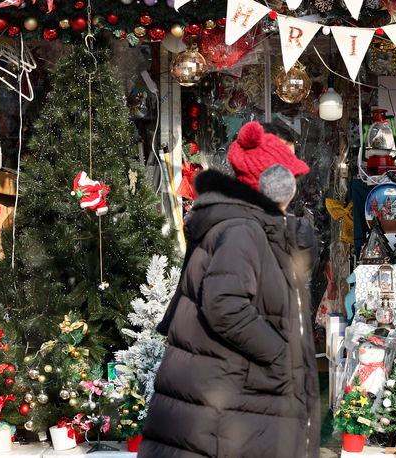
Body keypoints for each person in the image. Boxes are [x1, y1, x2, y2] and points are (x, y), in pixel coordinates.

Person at [141, 122, 320, 458]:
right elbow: (225, 304)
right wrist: (282, 358)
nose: (294, 187)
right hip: (230, 409)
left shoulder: (248, 225)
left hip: (234, 404)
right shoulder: (242, 229)